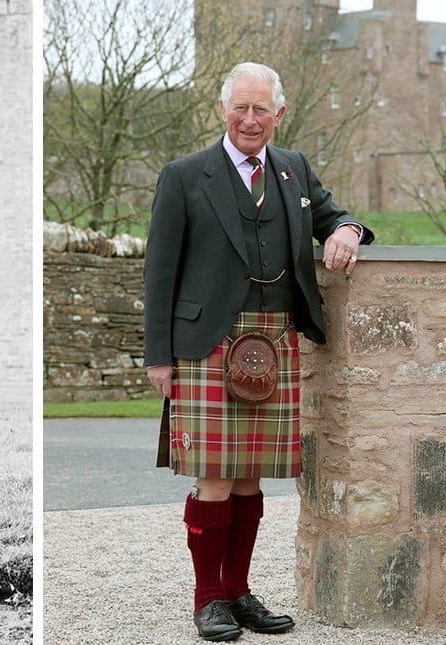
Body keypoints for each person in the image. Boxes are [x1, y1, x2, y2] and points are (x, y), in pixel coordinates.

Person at [143, 62, 374, 641]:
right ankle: (208, 600)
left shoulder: (294, 170)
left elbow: (334, 216)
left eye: (261, 109)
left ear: (279, 114)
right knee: (215, 478)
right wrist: (158, 356)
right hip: (206, 343)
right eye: (240, 108)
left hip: (274, 339)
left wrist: (347, 230)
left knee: (251, 479)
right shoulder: (184, 176)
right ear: (223, 110)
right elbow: (159, 271)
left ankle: (239, 592)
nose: (250, 119)